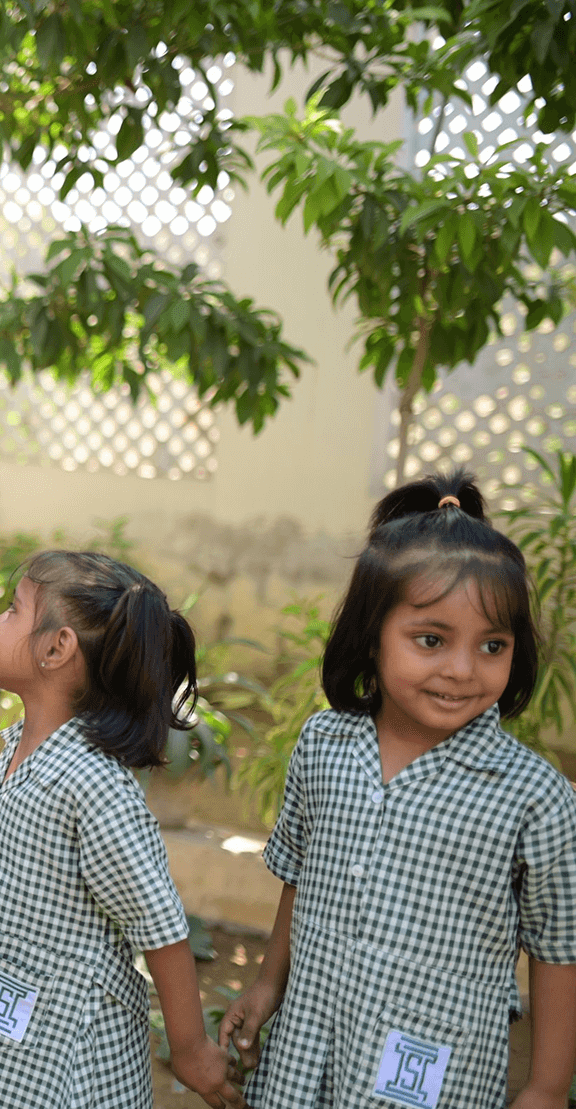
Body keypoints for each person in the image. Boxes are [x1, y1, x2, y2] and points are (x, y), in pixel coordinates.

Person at [220, 470, 576, 1109]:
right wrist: (268, 984)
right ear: (372, 632)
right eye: (432, 640)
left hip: (428, 1070)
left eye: (493, 645)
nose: (463, 669)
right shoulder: (325, 745)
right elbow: (300, 875)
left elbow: (560, 947)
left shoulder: (534, 797)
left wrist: (547, 1087)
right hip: (307, 1050)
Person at [0, 551, 244, 1108]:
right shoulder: (23, 741)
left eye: (14, 612)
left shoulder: (92, 783)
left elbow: (159, 925)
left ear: (57, 647)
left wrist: (188, 1049)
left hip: (65, 1056)